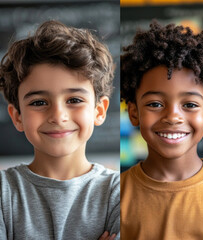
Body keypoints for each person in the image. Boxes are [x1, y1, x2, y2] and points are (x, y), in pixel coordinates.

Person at [119, 22, 203, 239]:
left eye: (190, 105)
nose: (173, 117)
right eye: (155, 104)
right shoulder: (112, 195)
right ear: (134, 112)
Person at [0, 20, 118, 240]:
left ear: (99, 111)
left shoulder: (119, 192)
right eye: (38, 102)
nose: (57, 116)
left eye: (74, 99)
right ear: (17, 116)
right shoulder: (3, 191)